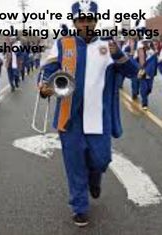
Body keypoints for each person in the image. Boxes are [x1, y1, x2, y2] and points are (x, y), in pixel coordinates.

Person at [38, 0, 138, 227]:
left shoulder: (107, 44)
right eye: (81, 20)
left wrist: (119, 54)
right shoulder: (63, 44)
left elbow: (131, 72)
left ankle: (96, 178)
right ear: (74, 22)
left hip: (99, 118)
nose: (85, 24)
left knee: (100, 160)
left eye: (89, 20)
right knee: (74, 164)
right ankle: (79, 207)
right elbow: (48, 71)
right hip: (69, 117)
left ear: (95, 21)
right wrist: (45, 87)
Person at [138, 40, 158, 110]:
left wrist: (155, 72)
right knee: (144, 88)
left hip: (151, 74)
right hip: (142, 71)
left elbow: (155, 62)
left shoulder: (154, 51)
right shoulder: (140, 50)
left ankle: (144, 96)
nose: (147, 43)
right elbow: (136, 60)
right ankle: (144, 103)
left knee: (149, 89)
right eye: (145, 42)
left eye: (148, 42)